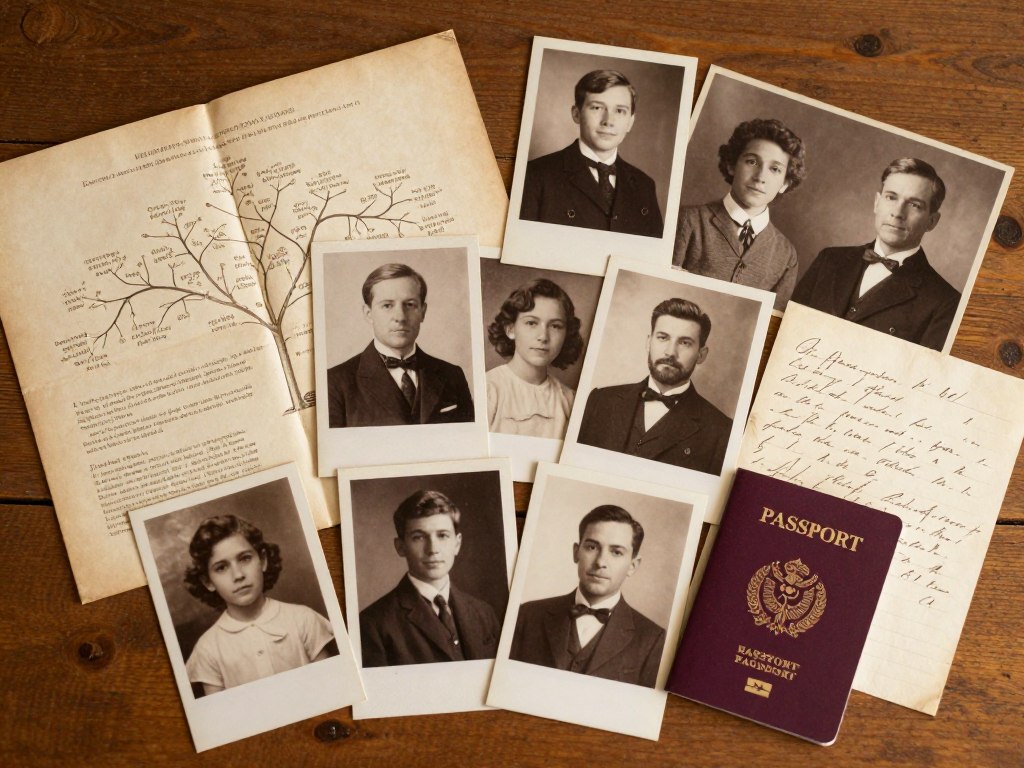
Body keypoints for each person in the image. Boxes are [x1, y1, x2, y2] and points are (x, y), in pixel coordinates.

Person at [791, 158, 959, 350]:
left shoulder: (945, 302)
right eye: (891, 197)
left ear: (932, 221)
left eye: (914, 205)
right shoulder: (829, 260)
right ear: (877, 203)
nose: (897, 213)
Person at [509, 505, 664, 688]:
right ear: (576, 552)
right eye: (592, 547)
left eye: (616, 552)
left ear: (633, 565)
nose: (600, 562)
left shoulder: (652, 639)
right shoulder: (527, 615)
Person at [576, 298, 732, 474]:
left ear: (701, 355)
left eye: (685, 342)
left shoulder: (721, 432)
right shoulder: (600, 401)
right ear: (649, 342)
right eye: (663, 338)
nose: (670, 352)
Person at [183, 515, 335, 695]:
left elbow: (331, 688)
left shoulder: (303, 619)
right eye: (221, 568)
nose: (238, 575)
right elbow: (223, 716)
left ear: (262, 560)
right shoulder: (207, 649)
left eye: (245, 558)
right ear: (208, 581)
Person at [673, 118, 806, 310]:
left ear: (785, 183)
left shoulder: (786, 255)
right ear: (732, 165)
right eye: (752, 162)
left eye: (775, 169)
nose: (760, 177)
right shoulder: (688, 220)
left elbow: (770, 320)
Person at [359, 490, 502, 667]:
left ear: (457, 544)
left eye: (442, 535)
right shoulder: (373, 625)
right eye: (418, 537)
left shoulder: (484, 613)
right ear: (401, 547)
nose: (433, 549)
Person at [326, 263, 475, 427]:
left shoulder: (452, 375)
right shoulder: (335, 383)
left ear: (423, 312)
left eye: (410, 304)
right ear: (368, 314)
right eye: (387, 305)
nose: (400, 317)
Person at [519, 70, 663, 238]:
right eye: (596, 107)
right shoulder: (535, 175)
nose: (608, 121)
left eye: (620, 111)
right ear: (576, 114)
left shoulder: (644, 186)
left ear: (630, 122)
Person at [486, 278, 585, 438]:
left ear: (566, 334)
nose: (543, 336)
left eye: (555, 326)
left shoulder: (569, 400)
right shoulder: (489, 390)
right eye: (531, 323)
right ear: (511, 329)